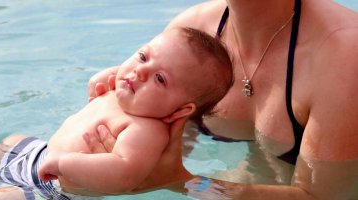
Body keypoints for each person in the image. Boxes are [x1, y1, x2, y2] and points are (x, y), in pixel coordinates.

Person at [86, 0, 358, 199]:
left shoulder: (343, 56)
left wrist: (186, 183)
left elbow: (325, 197)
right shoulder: (191, 35)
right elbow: (167, 145)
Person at [0, 27, 233, 200]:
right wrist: (105, 76)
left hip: (52, 185)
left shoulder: (147, 131)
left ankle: (1, 181)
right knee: (7, 144)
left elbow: (123, 173)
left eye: (160, 78)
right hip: (40, 155)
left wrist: (64, 164)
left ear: (182, 109)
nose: (140, 72)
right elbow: (122, 72)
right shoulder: (130, 88)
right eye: (143, 57)